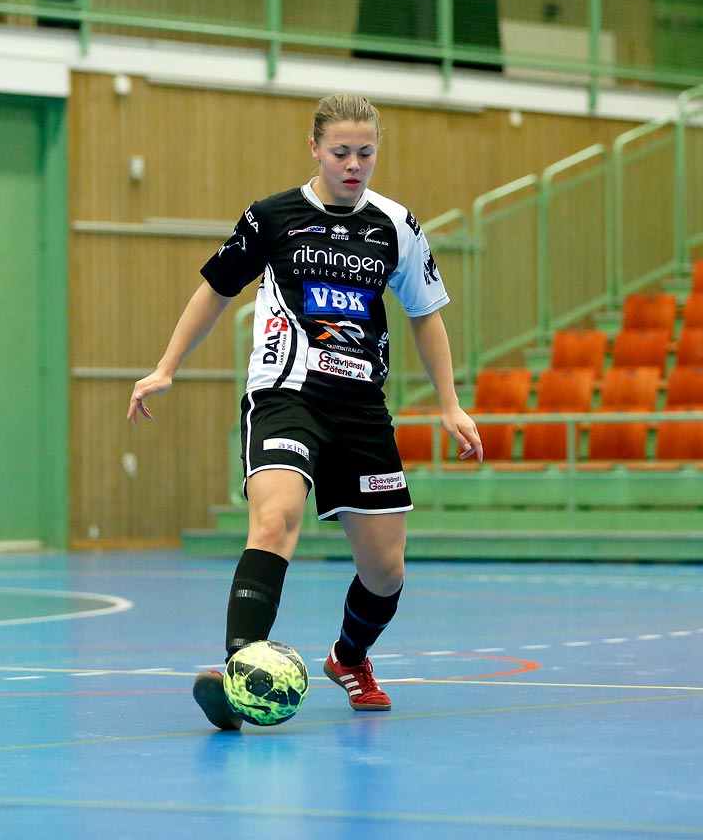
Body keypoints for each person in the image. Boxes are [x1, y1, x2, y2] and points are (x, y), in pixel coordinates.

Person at [127, 93, 481, 731]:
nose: (354, 164)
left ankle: (349, 658)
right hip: (286, 396)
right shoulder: (273, 217)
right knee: (276, 518)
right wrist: (165, 367)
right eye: (341, 152)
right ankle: (238, 673)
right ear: (315, 148)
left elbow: (425, 316)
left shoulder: (396, 225)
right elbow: (214, 289)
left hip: (361, 409)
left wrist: (450, 404)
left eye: (365, 153)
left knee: (385, 570)